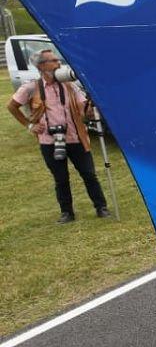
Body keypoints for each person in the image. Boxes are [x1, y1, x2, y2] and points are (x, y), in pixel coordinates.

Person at [8, 49, 111, 223]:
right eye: (53, 60)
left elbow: (84, 109)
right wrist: (30, 125)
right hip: (49, 141)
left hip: (76, 137)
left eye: (58, 60)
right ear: (41, 66)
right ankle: (67, 213)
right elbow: (12, 106)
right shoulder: (31, 87)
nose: (59, 63)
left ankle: (101, 207)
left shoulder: (70, 86)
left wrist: (91, 108)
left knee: (89, 174)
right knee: (61, 178)